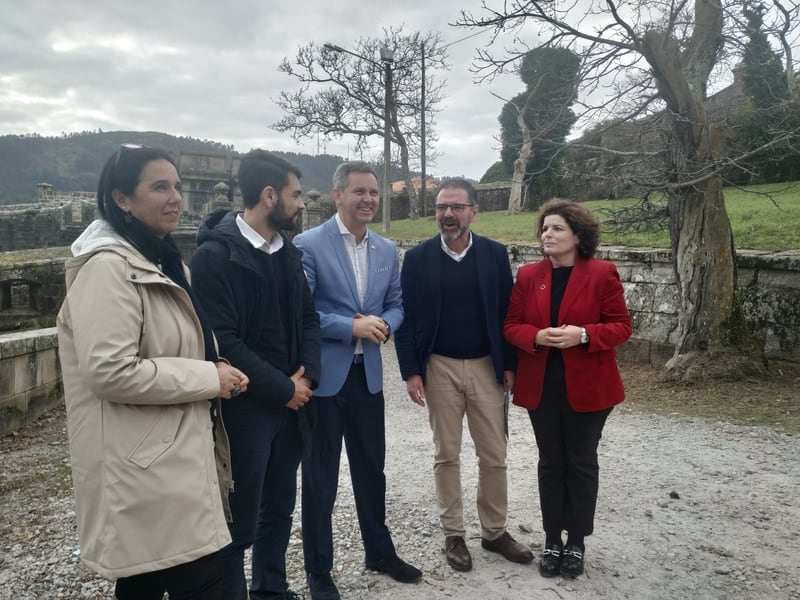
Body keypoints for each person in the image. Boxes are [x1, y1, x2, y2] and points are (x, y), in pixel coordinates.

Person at [56, 144, 249, 600]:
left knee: (148, 580)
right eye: (159, 187)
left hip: (170, 460)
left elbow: (177, 339)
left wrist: (215, 360)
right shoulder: (108, 268)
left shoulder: (160, 260)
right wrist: (208, 379)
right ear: (121, 198)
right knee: (194, 582)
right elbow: (109, 371)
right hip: (146, 467)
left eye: (177, 187)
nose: (175, 198)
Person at [190, 149, 321, 600]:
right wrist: (284, 387)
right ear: (269, 196)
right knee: (237, 521)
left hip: (291, 407)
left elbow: (308, 316)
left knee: (279, 510)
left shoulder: (288, 252)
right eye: (295, 194)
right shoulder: (213, 258)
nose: (301, 203)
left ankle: (271, 590)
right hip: (245, 410)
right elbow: (223, 339)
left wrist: (307, 381)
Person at [293, 161, 421, 600]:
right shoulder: (308, 244)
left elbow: (399, 303)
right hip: (324, 381)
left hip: (367, 380)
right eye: (359, 192)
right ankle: (318, 571)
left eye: (374, 192)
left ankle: (379, 553)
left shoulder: (386, 250)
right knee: (320, 478)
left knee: (372, 471)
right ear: (336, 195)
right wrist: (350, 327)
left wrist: (384, 322)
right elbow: (303, 311)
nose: (368, 199)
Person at [394, 178, 533, 572]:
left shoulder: (493, 254)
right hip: (438, 366)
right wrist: (411, 372)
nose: (448, 214)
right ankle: (454, 534)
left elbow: (508, 315)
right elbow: (408, 321)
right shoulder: (419, 258)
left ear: (474, 211)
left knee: (494, 454)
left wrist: (509, 364)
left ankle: (494, 532)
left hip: (487, 366)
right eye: (441, 207)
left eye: (456, 207)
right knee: (446, 454)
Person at [503, 198, 632, 579]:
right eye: (544, 228)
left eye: (557, 228)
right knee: (550, 463)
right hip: (543, 388)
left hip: (590, 389)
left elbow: (622, 326)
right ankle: (551, 539)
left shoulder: (602, 273)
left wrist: (585, 334)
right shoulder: (529, 275)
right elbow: (510, 325)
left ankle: (576, 540)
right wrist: (536, 336)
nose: (548, 234)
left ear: (577, 235)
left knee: (581, 463)